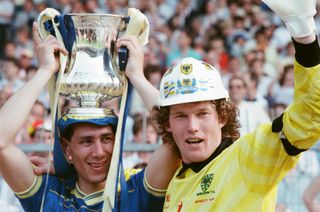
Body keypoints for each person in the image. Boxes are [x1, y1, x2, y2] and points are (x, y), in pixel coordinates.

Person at [149, 0, 320, 210]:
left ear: (222, 117)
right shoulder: (175, 181)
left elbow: (309, 117)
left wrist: (303, 33)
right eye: (181, 116)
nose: (192, 126)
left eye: (202, 114)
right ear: (167, 124)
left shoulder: (248, 158)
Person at [0, 23, 180, 211]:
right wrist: (44, 71)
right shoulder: (51, 195)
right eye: (86, 141)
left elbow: (177, 135)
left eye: (107, 139)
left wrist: (137, 76)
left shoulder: (135, 191)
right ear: (66, 148)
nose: (99, 151)